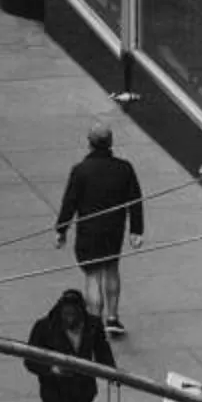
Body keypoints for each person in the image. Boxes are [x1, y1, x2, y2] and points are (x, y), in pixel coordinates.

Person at [54, 119, 145, 337]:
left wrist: (61, 229)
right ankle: (112, 317)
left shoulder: (81, 170)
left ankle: (95, 322)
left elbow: (70, 202)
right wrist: (136, 230)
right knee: (112, 268)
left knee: (93, 275)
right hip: (114, 229)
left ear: (90, 144)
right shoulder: (124, 168)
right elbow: (135, 200)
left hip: (89, 231)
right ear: (111, 143)